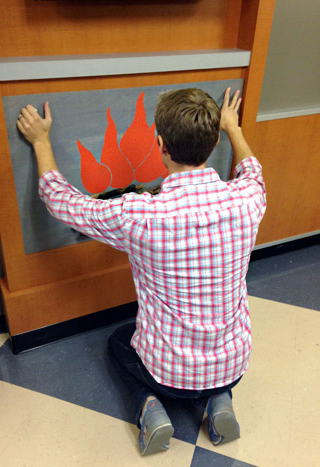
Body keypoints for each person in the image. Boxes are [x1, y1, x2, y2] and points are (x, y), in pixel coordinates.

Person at [17, 87, 266, 456]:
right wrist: (234, 128)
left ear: (161, 145)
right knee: (215, 364)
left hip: (166, 374)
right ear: (214, 142)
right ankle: (219, 400)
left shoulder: (140, 214)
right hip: (233, 364)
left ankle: (150, 408)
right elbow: (251, 168)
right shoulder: (250, 199)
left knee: (119, 343)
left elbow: (60, 201)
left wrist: (40, 141)